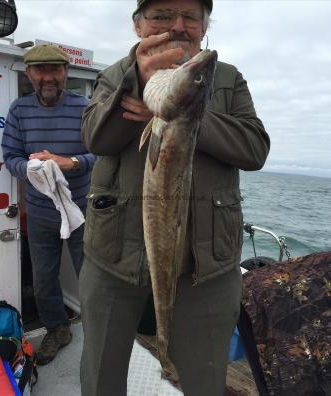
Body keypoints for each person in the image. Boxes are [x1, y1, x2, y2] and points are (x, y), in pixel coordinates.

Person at [80, 0, 270, 395]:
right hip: (114, 256)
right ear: (138, 26)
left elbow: (254, 149)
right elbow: (96, 139)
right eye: (163, 16)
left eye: (191, 18)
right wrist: (134, 83)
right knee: (100, 375)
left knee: (205, 380)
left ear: (204, 28)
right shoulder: (115, 75)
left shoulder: (227, 78)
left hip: (206, 265)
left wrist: (185, 107)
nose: (179, 26)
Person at [1, 44, 95, 365]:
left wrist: (68, 162)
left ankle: (100, 331)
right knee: (44, 279)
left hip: (83, 210)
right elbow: (10, 156)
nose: (48, 77)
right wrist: (29, 168)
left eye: (54, 69)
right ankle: (58, 329)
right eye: (40, 71)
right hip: (41, 214)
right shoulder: (18, 110)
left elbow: (102, 154)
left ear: (65, 72)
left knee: (93, 277)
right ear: (29, 74)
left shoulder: (85, 108)